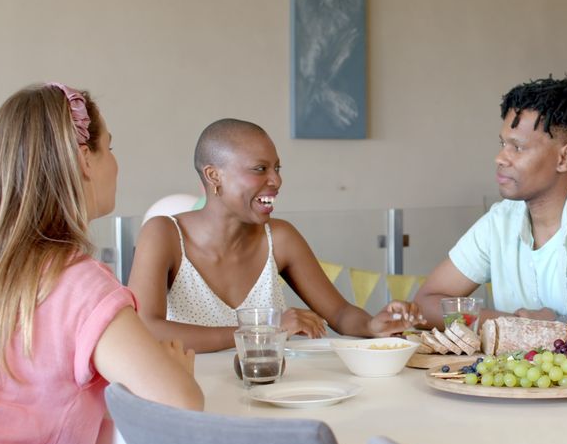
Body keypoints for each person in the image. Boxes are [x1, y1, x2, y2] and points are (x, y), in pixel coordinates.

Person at [0, 84, 203, 444]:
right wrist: (178, 372)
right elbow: (182, 404)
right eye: (109, 148)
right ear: (84, 159)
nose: (115, 164)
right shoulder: (80, 285)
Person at [128, 118, 418, 353]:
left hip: (273, 393)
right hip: (194, 400)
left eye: (277, 168)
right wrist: (262, 330)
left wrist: (372, 327)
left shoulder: (280, 238)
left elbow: (340, 313)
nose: (276, 180)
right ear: (214, 176)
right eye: (260, 169)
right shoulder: (163, 234)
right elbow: (145, 329)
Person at [414, 76, 567, 342]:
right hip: (513, 382)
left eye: (518, 147)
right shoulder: (500, 221)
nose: (500, 158)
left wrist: (560, 328)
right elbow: (427, 303)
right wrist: (510, 324)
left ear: (564, 158)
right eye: (503, 144)